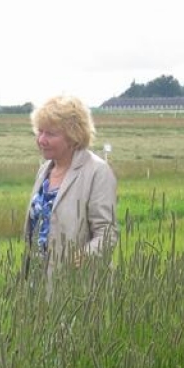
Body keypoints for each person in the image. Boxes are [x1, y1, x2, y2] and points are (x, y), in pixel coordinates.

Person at [24, 95, 117, 278]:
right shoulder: (45, 171)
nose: (41, 140)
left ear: (74, 136)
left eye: (50, 134)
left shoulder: (97, 172)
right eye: (40, 131)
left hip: (77, 288)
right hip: (37, 283)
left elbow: (107, 233)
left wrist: (79, 260)